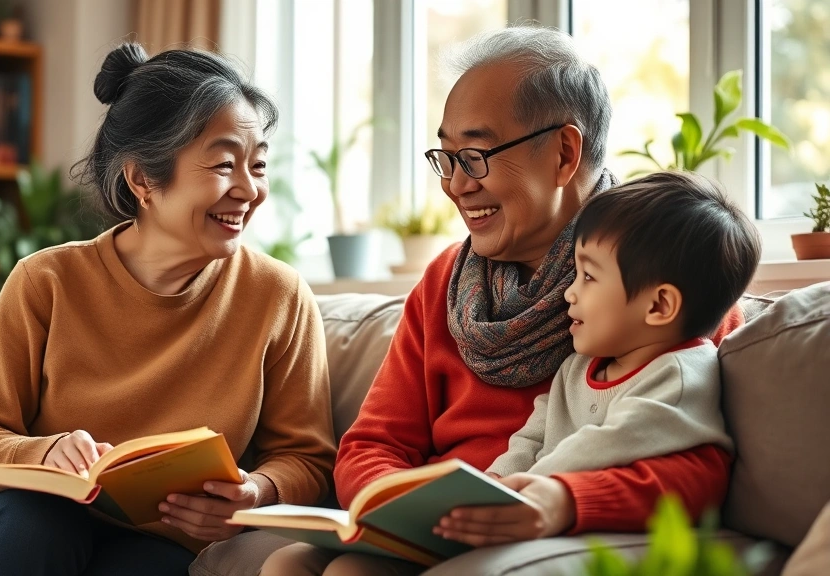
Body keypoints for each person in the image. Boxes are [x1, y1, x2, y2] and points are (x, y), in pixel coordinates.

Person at [261, 25, 745, 576]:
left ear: (564, 153)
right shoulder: (445, 280)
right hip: (439, 525)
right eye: (446, 158)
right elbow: (373, 442)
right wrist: (398, 511)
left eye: (474, 155)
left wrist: (564, 501)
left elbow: (700, 467)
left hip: (552, 529)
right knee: (288, 563)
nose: (454, 186)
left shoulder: (671, 274)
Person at [0, 43, 337, 576]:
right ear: (142, 179)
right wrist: (44, 454)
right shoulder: (46, 280)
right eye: (222, 164)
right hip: (8, 517)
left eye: (257, 165)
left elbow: (308, 459)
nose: (249, 189)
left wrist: (254, 492)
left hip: (151, 538)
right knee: (37, 533)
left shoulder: (278, 296)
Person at [484, 171, 759, 481]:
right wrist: (496, 478)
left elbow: (604, 446)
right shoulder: (576, 368)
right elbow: (533, 437)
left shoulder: (682, 378)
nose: (569, 292)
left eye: (588, 276)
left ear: (659, 306)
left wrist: (523, 489)